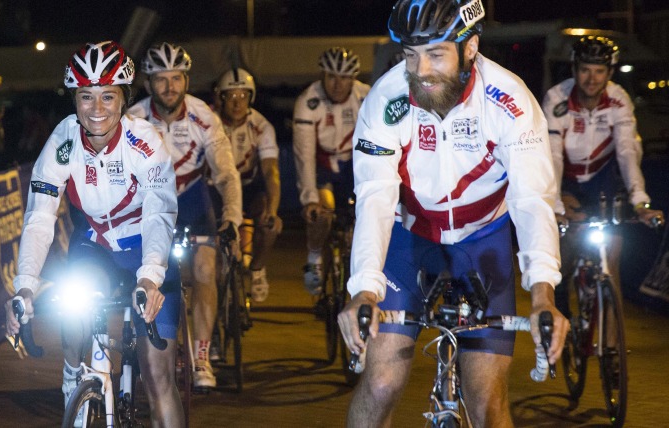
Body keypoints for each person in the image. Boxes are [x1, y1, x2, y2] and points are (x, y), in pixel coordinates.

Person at [337, 1, 570, 426]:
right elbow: (375, 198)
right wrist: (364, 291)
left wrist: (542, 294)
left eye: (436, 53)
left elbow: (532, 200)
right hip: (411, 239)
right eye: (410, 54)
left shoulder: (510, 100)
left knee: (487, 402)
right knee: (381, 384)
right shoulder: (386, 99)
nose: (420, 69)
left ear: (470, 48)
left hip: (484, 241)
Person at [3, 41, 184, 426]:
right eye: (86, 96)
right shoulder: (63, 140)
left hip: (145, 250)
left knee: (158, 376)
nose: (97, 109)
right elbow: (39, 217)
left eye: (107, 96)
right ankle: (74, 377)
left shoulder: (146, 141)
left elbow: (158, 214)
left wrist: (151, 277)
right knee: (74, 304)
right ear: (75, 99)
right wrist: (25, 286)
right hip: (97, 245)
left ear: (124, 100)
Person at [128, 42, 242, 391]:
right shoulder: (133, 117)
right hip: (150, 202)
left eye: (176, 78)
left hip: (192, 198)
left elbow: (225, 172)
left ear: (186, 80)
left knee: (206, 270)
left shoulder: (203, 114)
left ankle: (202, 356)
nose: (169, 87)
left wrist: (232, 217)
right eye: (161, 80)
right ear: (148, 84)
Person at [542, 36, 664, 316]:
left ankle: (611, 346)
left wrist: (641, 202)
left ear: (610, 73)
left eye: (599, 71)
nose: (591, 78)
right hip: (566, 179)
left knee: (611, 258)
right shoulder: (557, 98)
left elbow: (627, 151)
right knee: (564, 248)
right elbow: (553, 156)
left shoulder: (619, 100)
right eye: (585, 69)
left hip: (602, 180)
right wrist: (556, 205)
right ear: (574, 70)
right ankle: (562, 311)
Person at [292, 47, 370, 294]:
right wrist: (310, 199)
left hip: (353, 163)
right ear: (322, 76)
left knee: (365, 213)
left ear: (353, 79)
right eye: (332, 77)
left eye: (345, 78)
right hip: (322, 164)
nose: (338, 85)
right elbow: (304, 155)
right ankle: (314, 258)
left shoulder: (365, 97)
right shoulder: (308, 101)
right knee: (323, 213)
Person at [213, 67, 282, 302]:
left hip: (248, 185)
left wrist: (272, 211)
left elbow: (271, 171)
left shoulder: (262, 126)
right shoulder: (209, 121)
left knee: (270, 224)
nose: (237, 103)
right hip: (216, 187)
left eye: (243, 96)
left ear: (251, 98)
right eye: (231, 96)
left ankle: (258, 268)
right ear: (220, 98)